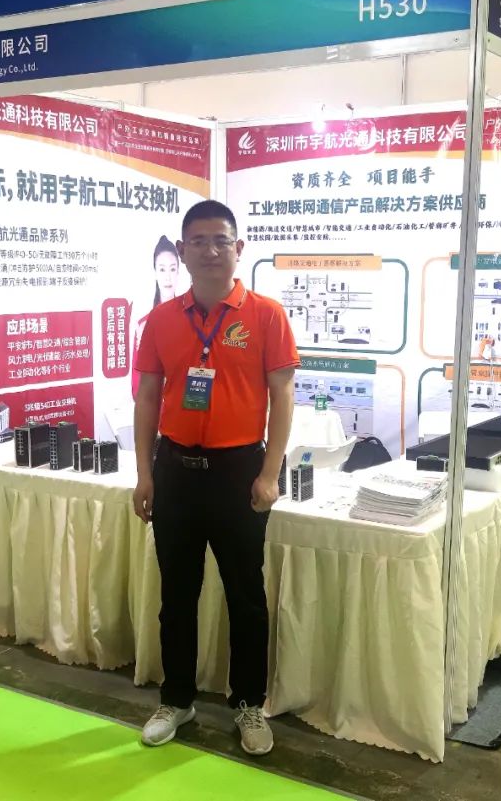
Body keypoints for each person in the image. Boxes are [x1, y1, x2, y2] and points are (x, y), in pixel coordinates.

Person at [132, 199, 299, 755]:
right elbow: (148, 398)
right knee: (176, 595)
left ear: (238, 248)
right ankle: (176, 699)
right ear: (182, 251)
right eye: (198, 241)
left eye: (220, 240)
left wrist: (269, 473)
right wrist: (144, 474)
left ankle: (248, 703)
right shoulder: (161, 319)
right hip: (175, 472)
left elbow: (282, 395)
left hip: (238, 473)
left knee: (245, 595)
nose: (210, 251)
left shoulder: (266, 315)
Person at [131, 236, 181, 398]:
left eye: (172, 269)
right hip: (155, 408)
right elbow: (137, 386)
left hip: (185, 407)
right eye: (162, 269)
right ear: (155, 273)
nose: (168, 277)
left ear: (178, 272)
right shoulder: (144, 325)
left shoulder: (193, 319)